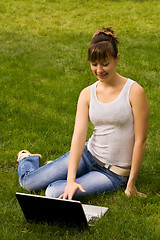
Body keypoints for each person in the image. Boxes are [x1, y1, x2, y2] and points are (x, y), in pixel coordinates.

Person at [17, 27, 149, 200]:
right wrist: (71, 180)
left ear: (117, 59)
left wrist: (131, 184)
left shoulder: (134, 91)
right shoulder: (87, 93)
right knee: (28, 183)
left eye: (105, 64)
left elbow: (141, 140)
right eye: (94, 64)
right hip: (88, 155)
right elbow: (78, 137)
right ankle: (28, 159)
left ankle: (55, 169)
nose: (99, 70)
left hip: (113, 173)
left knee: (53, 192)